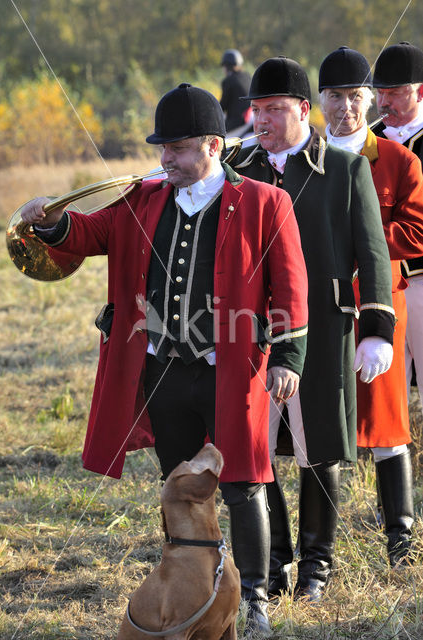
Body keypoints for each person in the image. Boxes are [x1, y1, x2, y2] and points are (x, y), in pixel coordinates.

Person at [21, 82, 309, 633]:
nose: (164, 159)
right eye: (162, 148)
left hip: (233, 370)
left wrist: (288, 356)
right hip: (164, 372)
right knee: (179, 484)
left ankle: (255, 599)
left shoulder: (264, 203)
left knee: (245, 483)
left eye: (176, 148)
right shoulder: (144, 198)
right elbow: (89, 231)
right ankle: (189, 583)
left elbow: (290, 286)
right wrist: (53, 222)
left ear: (212, 146)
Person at [226, 56, 395, 602]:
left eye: (275, 109)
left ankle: (316, 567)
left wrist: (376, 329)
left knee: (317, 446)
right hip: (252, 331)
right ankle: (273, 562)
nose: (264, 120)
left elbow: (372, 254)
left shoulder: (345, 170)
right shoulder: (236, 169)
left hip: (323, 328)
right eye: (257, 110)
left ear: (304, 109)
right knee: (257, 449)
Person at [319, 46, 423, 566]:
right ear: (318, 102)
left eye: (355, 96)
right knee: (323, 422)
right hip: (322, 307)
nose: (346, 107)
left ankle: (401, 542)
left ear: (369, 100)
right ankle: (321, 550)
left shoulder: (399, 160)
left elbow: (418, 228)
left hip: (383, 301)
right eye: (335, 97)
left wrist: (363, 241)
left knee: (386, 420)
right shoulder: (304, 161)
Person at [372, 42, 423, 415]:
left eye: (394, 92)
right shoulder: (368, 140)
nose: (384, 101)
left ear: (420, 91)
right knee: (386, 394)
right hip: (381, 281)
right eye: (379, 92)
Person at [220, 48, 252, 134]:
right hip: (251, 115)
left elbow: (223, 106)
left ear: (226, 66)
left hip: (238, 121)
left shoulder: (228, 81)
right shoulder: (247, 76)